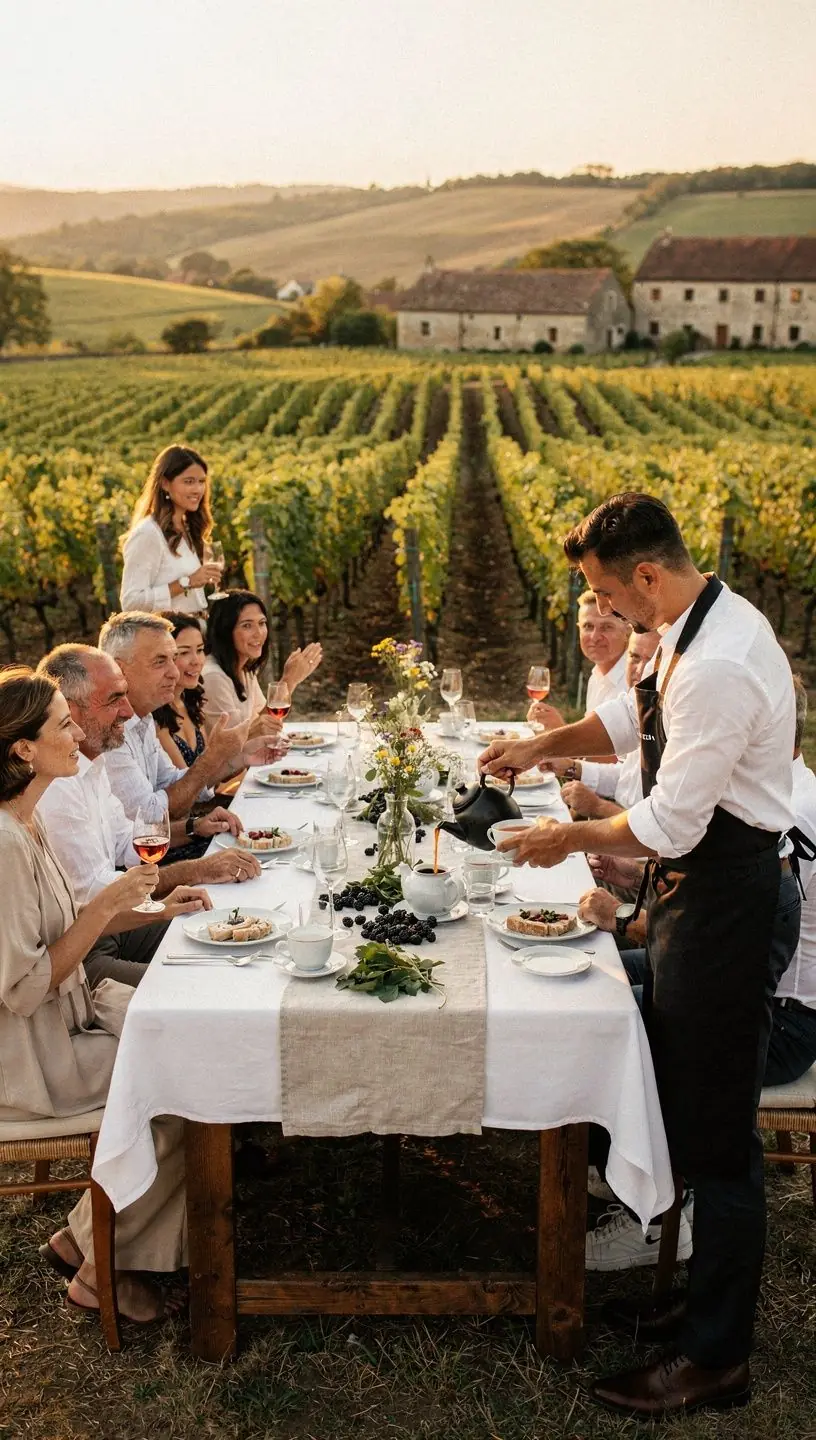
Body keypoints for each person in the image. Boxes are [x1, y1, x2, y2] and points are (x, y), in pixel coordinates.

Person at [480, 492, 798, 1418]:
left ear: (647, 577)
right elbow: (627, 727)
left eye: (607, 597)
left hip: (732, 897)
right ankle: (697, 1309)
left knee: (722, 1138)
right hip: (694, 891)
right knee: (691, 1108)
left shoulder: (724, 664)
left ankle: (716, 1361)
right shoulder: (687, 627)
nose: (608, 613)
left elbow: (670, 819)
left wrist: (559, 843)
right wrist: (543, 745)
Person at [0, 666, 186, 1324]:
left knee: (187, 1041)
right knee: (183, 1083)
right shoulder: (3, 845)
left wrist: (157, 911)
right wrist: (108, 901)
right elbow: (22, 988)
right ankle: (105, 1268)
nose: (77, 732)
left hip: (66, 1022)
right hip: (33, 1058)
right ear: (23, 749)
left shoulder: (25, 824)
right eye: (61, 724)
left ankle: (87, 1235)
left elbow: (72, 929)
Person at [36, 644, 263, 987]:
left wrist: (192, 828)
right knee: (203, 984)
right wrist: (195, 870)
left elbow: (130, 841)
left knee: (239, 938)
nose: (127, 711)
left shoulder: (91, 765)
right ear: (71, 711)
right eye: (114, 699)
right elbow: (95, 896)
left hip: (117, 923)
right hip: (84, 953)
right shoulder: (57, 786)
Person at [98, 611, 286, 825]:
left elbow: (174, 782)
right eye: (160, 662)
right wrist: (214, 756)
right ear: (120, 669)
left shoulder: (144, 718)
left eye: (173, 659)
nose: (174, 673)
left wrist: (239, 758)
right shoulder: (108, 733)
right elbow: (153, 818)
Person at [548, 628, 661, 820]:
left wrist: (598, 807)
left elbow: (659, 829)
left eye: (652, 661)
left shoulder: (678, 723)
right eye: (634, 657)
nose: (641, 670)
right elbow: (629, 776)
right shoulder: (643, 704)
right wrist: (572, 767)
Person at [119, 444, 223, 616]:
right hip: (168, 638)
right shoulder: (148, 533)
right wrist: (187, 582)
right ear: (165, 484)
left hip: (193, 636)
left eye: (201, 482)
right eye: (189, 481)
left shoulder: (187, 528)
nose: (198, 489)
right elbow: (131, 603)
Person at [202, 590, 322, 736]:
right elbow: (234, 746)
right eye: (247, 626)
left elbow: (262, 721)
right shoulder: (213, 676)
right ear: (225, 631)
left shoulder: (244, 669)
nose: (258, 633)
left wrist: (290, 682)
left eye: (262, 623)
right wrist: (288, 682)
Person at [527, 590, 631, 729]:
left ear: (627, 631)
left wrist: (559, 729)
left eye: (606, 627)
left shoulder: (632, 682)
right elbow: (593, 739)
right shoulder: (597, 676)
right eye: (588, 626)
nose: (595, 637)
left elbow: (617, 750)